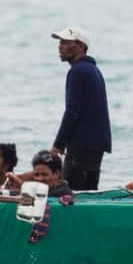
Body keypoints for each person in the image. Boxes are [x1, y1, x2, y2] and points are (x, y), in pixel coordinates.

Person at [50, 26, 112, 190]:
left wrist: (58, 144)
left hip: (81, 146)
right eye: (60, 42)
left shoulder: (77, 72)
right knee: (89, 194)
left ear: (80, 46)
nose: (60, 46)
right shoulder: (94, 70)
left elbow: (72, 112)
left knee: (70, 195)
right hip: (96, 145)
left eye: (65, 42)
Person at [6, 150, 72, 198]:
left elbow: (40, 198)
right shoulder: (41, 189)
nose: (40, 179)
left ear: (56, 174)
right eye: (36, 175)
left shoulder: (64, 192)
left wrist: (21, 185)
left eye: (44, 174)